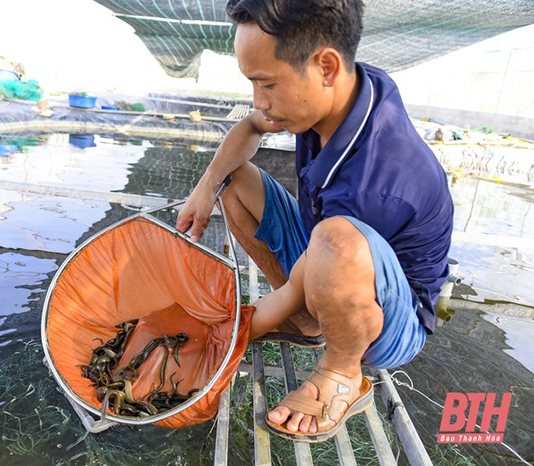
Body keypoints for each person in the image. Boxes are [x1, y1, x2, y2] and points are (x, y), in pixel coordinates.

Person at [175, 0, 453, 442]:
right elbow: (250, 126)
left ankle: (342, 373)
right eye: (253, 83)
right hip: (328, 252)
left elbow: (328, 254)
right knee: (235, 180)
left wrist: (226, 336)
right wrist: (205, 188)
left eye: (266, 84)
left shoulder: (380, 178)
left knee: (334, 240)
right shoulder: (341, 91)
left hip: (389, 318)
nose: (259, 101)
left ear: (326, 66)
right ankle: (308, 322)